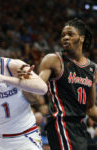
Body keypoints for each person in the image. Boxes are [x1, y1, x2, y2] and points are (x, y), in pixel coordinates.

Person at [18, 18, 97, 150]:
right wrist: (25, 81)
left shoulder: (92, 68)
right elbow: (37, 90)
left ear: (82, 38)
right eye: (63, 35)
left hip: (80, 127)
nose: (65, 38)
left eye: (70, 34)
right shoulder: (53, 60)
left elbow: (90, 109)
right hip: (60, 123)